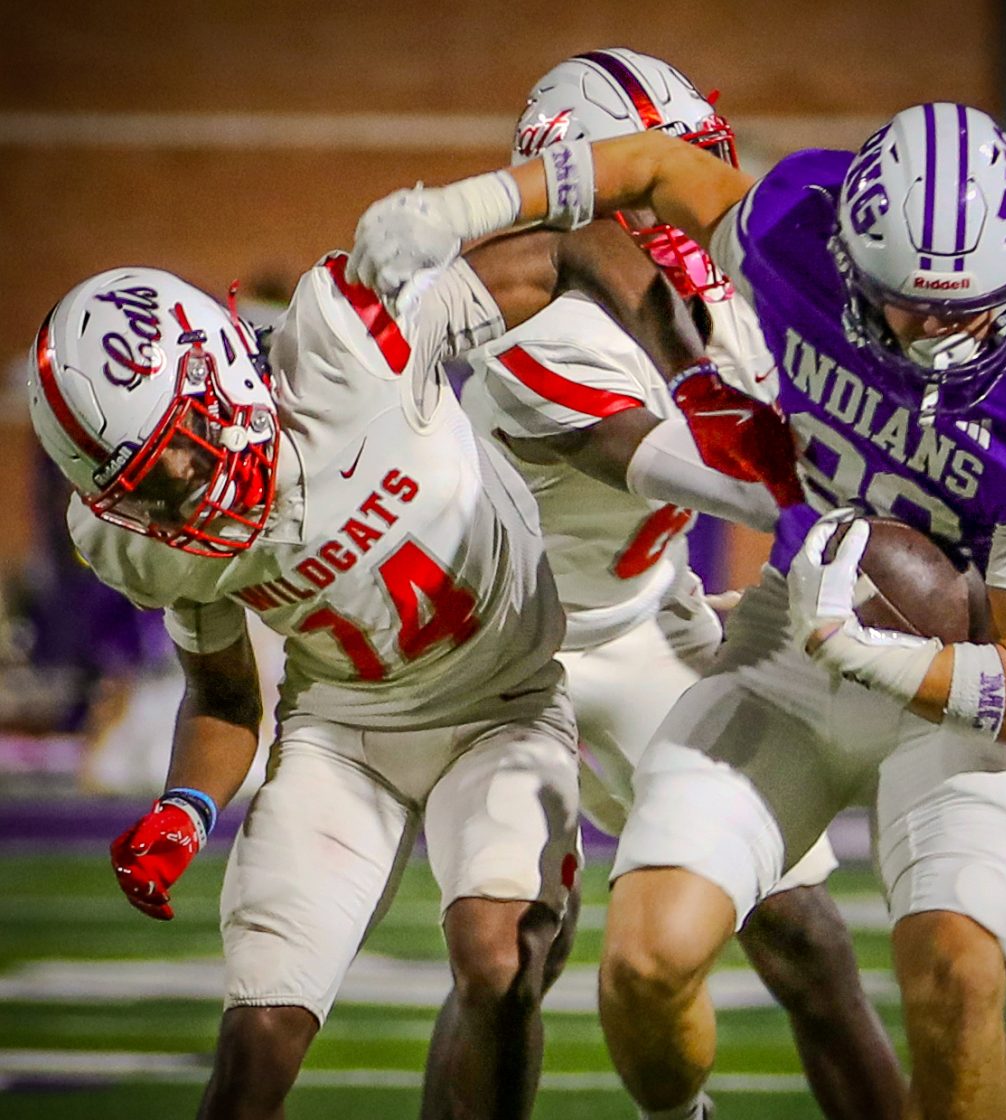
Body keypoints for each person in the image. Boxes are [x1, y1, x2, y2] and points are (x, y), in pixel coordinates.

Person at [348, 98, 1006, 1119]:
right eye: (903, 300)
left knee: (956, 981)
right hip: (791, 648)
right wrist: (465, 207)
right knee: (643, 960)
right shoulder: (796, 231)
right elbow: (646, 168)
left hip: (958, 686)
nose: (932, 332)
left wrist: (861, 644)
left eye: (965, 309)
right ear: (852, 251)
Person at [27, 211, 741, 1119]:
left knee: (498, 959)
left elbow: (570, 246)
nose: (183, 494)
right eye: (146, 491)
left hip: (505, 703)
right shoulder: (148, 544)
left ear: (218, 368)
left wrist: (692, 369)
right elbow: (223, 695)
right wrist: (184, 806)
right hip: (343, 737)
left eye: (181, 448)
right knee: (254, 1053)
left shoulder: (347, 341)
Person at [458, 48, 904, 1120]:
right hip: (513, 664)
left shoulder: (721, 307)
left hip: (649, 626)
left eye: (695, 162)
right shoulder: (533, 327)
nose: (686, 195)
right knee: (511, 959)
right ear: (579, 193)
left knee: (804, 932)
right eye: (654, 173)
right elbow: (690, 464)